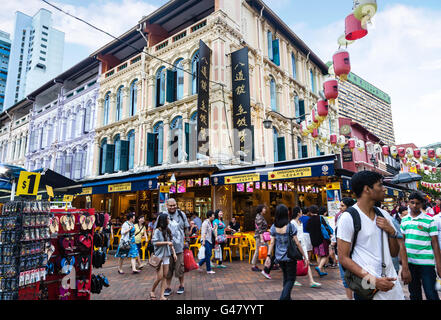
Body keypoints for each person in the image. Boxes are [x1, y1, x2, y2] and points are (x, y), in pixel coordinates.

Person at [337, 170, 405, 300]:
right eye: (380, 185)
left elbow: (394, 253)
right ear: (367, 189)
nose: (384, 189)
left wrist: (391, 232)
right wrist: (373, 280)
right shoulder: (348, 217)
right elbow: (343, 258)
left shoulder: (383, 215)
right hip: (367, 286)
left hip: (391, 284)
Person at [400, 191, 441, 300]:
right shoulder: (404, 221)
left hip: (426, 263)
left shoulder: (429, 220)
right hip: (410, 263)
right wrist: (403, 264)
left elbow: (435, 244)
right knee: (414, 293)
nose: (414, 206)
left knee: (431, 293)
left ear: (422, 204)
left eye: (417, 203)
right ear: (408, 203)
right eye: (412, 203)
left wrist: (439, 265)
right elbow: (401, 243)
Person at [266, 204, 308, 300]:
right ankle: (283, 298)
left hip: (279, 257)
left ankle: (287, 298)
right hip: (290, 256)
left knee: (286, 277)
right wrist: (304, 256)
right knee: (291, 279)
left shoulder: (273, 227)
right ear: (286, 213)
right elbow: (297, 243)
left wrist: (268, 256)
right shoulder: (290, 227)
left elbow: (272, 243)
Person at [156, 198, 190, 297]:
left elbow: (186, 228)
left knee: (180, 267)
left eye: (174, 205)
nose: (173, 207)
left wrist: (187, 241)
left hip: (179, 247)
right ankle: (168, 287)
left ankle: (181, 285)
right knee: (168, 269)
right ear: (167, 205)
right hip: (166, 248)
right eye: (170, 206)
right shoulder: (162, 216)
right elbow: (156, 230)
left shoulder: (181, 214)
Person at [289, 206, 322, 288]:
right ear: (298, 213)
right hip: (297, 246)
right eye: (300, 212)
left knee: (306, 261)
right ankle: (294, 280)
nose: (302, 213)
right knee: (296, 263)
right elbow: (293, 236)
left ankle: (311, 281)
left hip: (302, 244)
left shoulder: (300, 222)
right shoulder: (292, 223)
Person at [150, 214, 177, 300]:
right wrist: (166, 243)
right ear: (163, 220)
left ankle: (162, 295)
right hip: (159, 256)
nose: (169, 220)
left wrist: (174, 253)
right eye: (167, 219)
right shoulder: (157, 231)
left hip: (167, 255)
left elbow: (170, 243)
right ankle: (152, 290)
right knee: (160, 276)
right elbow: (154, 242)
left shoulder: (168, 230)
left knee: (165, 275)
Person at [334, 197, 356, 300]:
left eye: (342, 206)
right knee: (346, 278)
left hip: (351, 253)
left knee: (350, 277)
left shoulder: (348, 217)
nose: (340, 208)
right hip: (343, 252)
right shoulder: (340, 217)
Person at [305, 205, 330, 277]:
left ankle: (321, 271)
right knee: (325, 255)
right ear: (317, 210)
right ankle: (319, 267)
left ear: (310, 212)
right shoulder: (320, 218)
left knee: (318, 255)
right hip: (322, 239)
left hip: (314, 240)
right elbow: (326, 227)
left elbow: (307, 229)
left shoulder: (309, 220)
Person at [251, 205, 269, 272]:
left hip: (262, 236)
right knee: (257, 251)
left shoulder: (261, 216)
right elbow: (259, 229)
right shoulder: (259, 217)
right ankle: (253, 265)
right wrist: (261, 239)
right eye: (264, 208)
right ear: (261, 209)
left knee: (267, 249)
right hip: (259, 236)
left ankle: (268, 264)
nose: (265, 209)